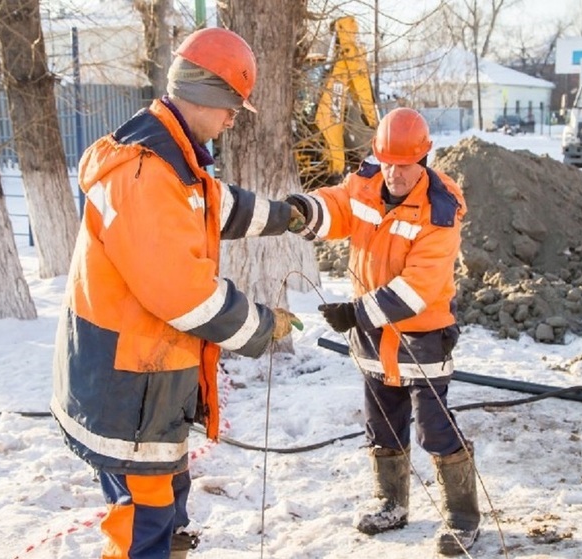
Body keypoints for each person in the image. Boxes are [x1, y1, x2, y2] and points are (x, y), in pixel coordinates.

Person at [51, 27, 303, 559]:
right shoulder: (147, 173)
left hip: (141, 377)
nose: (234, 117)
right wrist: (262, 325)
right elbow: (184, 295)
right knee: (144, 520)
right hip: (129, 382)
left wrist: (287, 216)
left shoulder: (174, 159)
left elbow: (215, 205)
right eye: (232, 105)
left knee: (164, 498)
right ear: (208, 96)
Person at [286, 107, 480, 556]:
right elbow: (337, 205)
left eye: (403, 164)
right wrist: (304, 210)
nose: (393, 173)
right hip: (374, 337)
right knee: (381, 423)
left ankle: (463, 515)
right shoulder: (368, 184)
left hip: (422, 336)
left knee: (433, 427)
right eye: (387, 162)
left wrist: (356, 313)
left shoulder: (441, 209)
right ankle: (391, 501)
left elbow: (419, 288)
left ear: (423, 159)